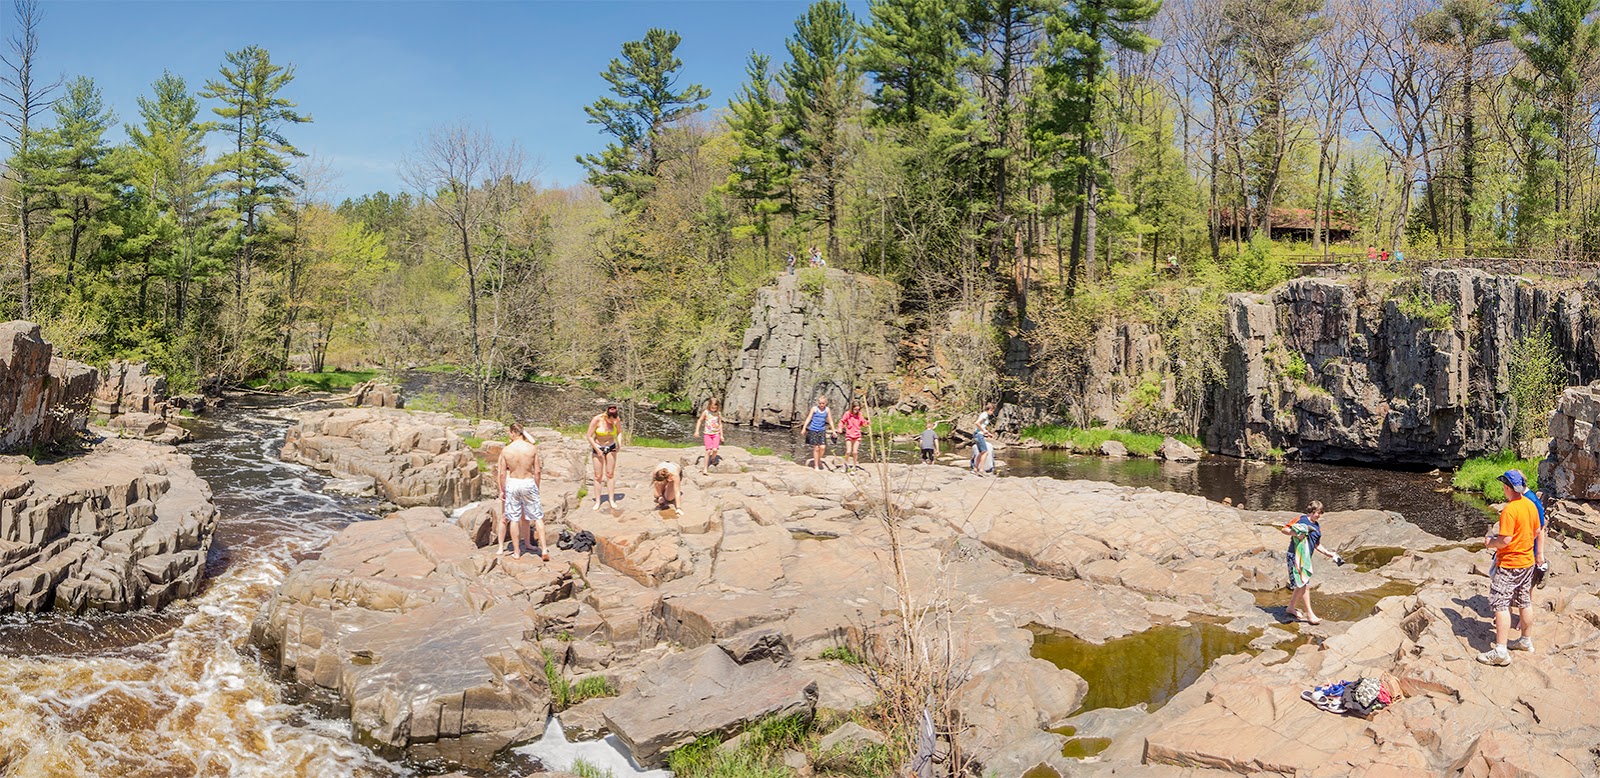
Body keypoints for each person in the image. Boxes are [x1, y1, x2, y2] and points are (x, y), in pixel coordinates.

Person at [1478, 470, 1541, 666]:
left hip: (1510, 564)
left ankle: (1500, 651)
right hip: (1527, 562)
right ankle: (1525, 640)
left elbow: (1504, 541)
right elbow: (1537, 530)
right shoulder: (1530, 505)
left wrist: (1490, 542)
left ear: (1507, 487)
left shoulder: (1510, 510)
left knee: (1500, 604)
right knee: (1524, 601)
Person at [1276, 501, 1344, 625]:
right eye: (1316, 513)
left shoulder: (1316, 526)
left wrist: (1328, 553)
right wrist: (1296, 534)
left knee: (1301, 584)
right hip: (1295, 556)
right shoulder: (1300, 519)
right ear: (1311, 511)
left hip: (1306, 558)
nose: (1318, 515)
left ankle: (1291, 608)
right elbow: (1284, 529)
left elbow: (1316, 543)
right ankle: (1310, 614)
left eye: (1320, 513)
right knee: (1304, 584)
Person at [495, 423, 549, 561]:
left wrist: (502, 490)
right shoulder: (531, 448)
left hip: (513, 482)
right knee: (537, 516)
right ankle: (544, 549)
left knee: (513, 519)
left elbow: (501, 474)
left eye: (509, 432)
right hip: (527, 481)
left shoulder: (506, 450)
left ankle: (517, 551)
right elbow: (537, 471)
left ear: (513, 432)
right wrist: (536, 486)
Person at [586, 404, 622, 511]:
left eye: (614, 420)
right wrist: (597, 450)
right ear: (607, 416)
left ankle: (611, 499)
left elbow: (619, 432)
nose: (613, 423)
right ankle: (598, 501)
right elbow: (589, 436)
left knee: (610, 474)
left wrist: (619, 445)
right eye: (611, 421)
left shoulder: (616, 420)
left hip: (611, 447)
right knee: (598, 476)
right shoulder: (597, 419)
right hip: (598, 447)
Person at [694, 398, 724, 475]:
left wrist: (721, 435)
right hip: (707, 433)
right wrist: (697, 430)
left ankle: (713, 458)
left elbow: (720, 424)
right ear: (709, 406)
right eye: (712, 408)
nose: (713, 409)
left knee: (714, 450)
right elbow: (700, 420)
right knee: (708, 451)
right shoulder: (706, 412)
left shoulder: (718, 414)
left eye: (715, 408)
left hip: (716, 433)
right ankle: (705, 469)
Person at [803, 395, 834, 470]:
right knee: (816, 448)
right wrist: (804, 427)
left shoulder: (827, 410)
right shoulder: (814, 409)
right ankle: (816, 465)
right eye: (820, 403)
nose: (821, 405)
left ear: (825, 403)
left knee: (823, 447)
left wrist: (833, 430)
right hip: (813, 430)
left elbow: (830, 420)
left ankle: (818, 458)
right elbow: (809, 418)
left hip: (821, 430)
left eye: (823, 403)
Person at [837, 401, 870, 471]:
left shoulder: (859, 415)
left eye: (858, 410)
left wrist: (867, 423)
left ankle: (854, 466)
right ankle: (845, 464)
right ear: (852, 408)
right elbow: (842, 421)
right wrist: (840, 427)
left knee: (855, 452)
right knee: (848, 451)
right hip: (849, 434)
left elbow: (863, 423)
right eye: (855, 409)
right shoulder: (847, 414)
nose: (856, 411)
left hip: (857, 434)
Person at [972, 403, 996, 475]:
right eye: (992, 411)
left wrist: (987, 433)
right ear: (990, 409)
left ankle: (975, 469)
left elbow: (981, 426)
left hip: (977, 434)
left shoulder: (983, 414)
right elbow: (977, 423)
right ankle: (982, 469)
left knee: (981, 452)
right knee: (985, 452)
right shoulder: (985, 414)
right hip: (979, 435)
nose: (992, 413)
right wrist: (984, 431)